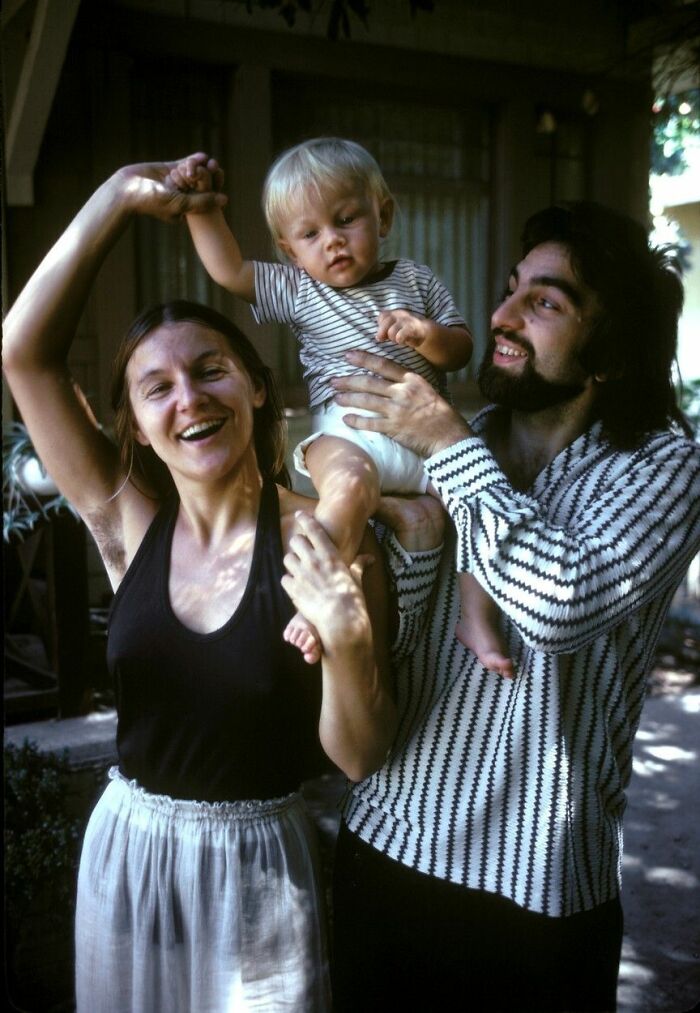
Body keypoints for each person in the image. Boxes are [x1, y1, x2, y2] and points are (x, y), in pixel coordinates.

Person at [2, 158, 414, 1013]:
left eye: (212, 368)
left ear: (259, 387)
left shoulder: (327, 533)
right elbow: (25, 354)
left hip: (259, 878)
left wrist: (345, 642)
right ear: (140, 429)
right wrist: (117, 197)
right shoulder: (129, 525)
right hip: (129, 855)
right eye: (157, 387)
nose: (189, 396)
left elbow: (361, 753)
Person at [326, 200, 700, 1012]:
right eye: (509, 290)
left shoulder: (663, 466)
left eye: (546, 301)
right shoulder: (461, 436)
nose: (501, 316)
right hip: (385, 850)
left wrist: (452, 452)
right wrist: (410, 538)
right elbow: (397, 641)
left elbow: (560, 603)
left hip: (535, 889)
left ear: (611, 353)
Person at [170, 139, 514, 678]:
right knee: (347, 489)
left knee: (474, 506)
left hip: (427, 440)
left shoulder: (416, 280)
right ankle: (315, 597)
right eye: (310, 234)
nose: (332, 241)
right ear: (290, 250)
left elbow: (462, 348)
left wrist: (425, 336)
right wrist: (203, 208)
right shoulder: (301, 289)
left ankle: (476, 616)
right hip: (348, 431)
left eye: (346, 219)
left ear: (383, 215)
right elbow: (229, 270)